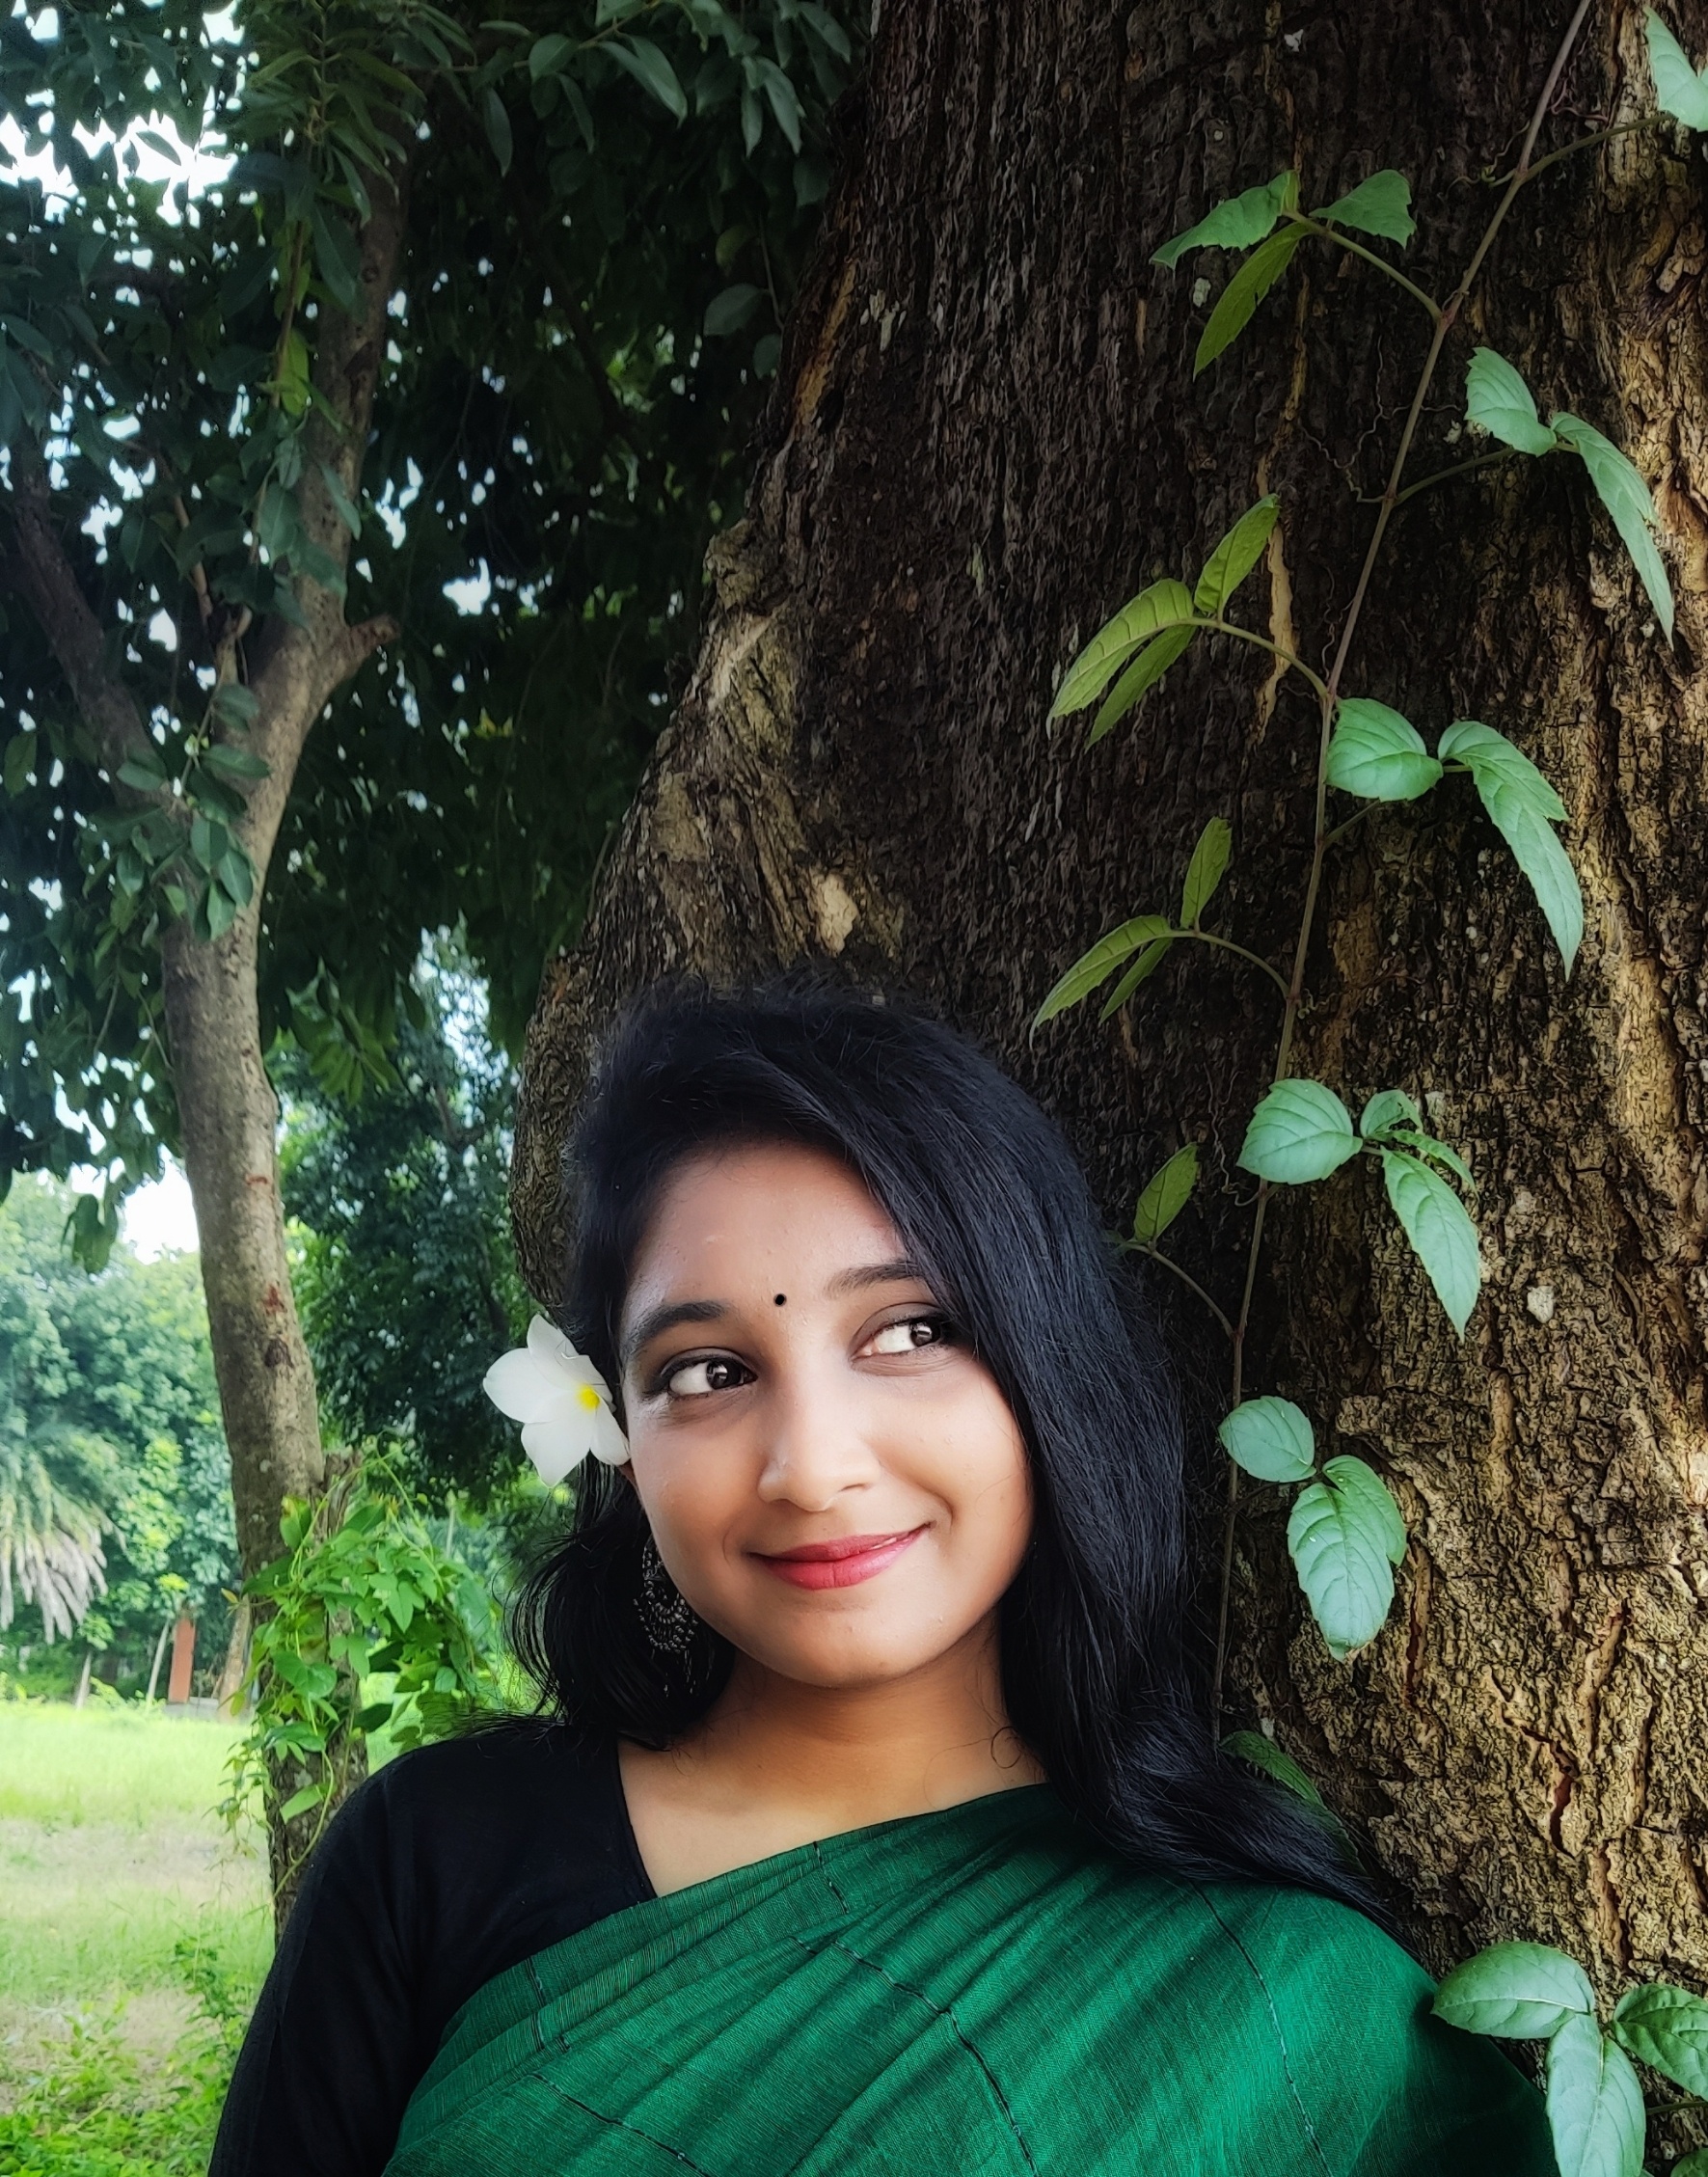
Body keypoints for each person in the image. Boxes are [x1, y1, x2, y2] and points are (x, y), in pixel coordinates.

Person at [212, 981, 1551, 2176]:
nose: (811, 1466)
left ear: (1048, 1370)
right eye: (706, 1370)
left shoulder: (1278, 2008)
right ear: (622, 1438)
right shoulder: (429, 1859)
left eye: (909, 1332)